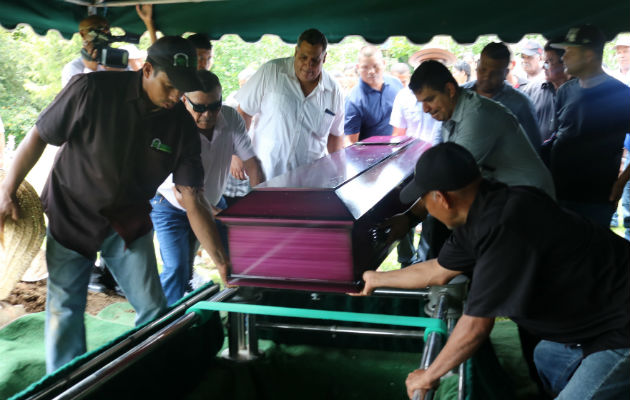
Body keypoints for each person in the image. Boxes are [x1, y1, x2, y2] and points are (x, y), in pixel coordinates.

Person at [0, 36, 230, 373]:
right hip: (72, 213)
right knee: (65, 308)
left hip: (128, 221)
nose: (173, 97)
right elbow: (39, 135)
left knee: (154, 308)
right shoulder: (91, 90)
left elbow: (192, 196)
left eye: (180, 90)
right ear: (146, 69)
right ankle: (66, 386)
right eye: (168, 86)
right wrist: (8, 189)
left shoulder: (180, 124)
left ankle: (145, 378)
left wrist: (221, 262)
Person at [354, 142, 629, 400]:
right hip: (592, 317)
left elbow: (475, 326)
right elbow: (438, 270)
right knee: (547, 358)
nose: (425, 208)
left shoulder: (505, 226)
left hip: (621, 326)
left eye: (424, 201)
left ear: (442, 198)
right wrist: (376, 278)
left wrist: (429, 375)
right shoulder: (483, 209)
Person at [385, 60, 554, 265]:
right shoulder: (450, 114)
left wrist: (410, 218)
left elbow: (448, 180)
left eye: (429, 99)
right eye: (421, 102)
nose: (426, 109)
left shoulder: (477, 116)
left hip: (529, 206)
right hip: (506, 202)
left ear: (449, 89)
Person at [151, 70, 264, 306]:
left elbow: (252, 163)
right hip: (171, 206)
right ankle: (166, 326)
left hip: (213, 200)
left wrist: (261, 206)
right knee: (178, 268)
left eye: (215, 106)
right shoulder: (171, 128)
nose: (208, 114)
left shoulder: (231, 117)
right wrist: (222, 215)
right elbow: (184, 195)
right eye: (200, 108)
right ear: (184, 100)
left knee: (239, 258)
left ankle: (243, 317)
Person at [546, 24, 630, 227]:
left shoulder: (621, 95)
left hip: (594, 198)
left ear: (589, 55)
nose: (563, 57)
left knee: (590, 253)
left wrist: (621, 183)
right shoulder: (565, 91)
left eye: (569, 52)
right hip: (559, 192)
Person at [235, 28, 344, 180]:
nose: (308, 65)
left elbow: (335, 136)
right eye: (303, 57)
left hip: (310, 181)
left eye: (315, 60)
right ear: (295, 52)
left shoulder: (334, 90)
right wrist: (237, 153)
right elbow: (243, 113)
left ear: (324, 58)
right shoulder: (271, 72)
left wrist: (338, 172)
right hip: (265, 176)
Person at [463, 42, 542, 152]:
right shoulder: (461, 94)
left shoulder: (521, 104)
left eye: (494, 73)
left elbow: (534, 149)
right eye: (483, 69)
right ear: (477, 65)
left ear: (506, 73)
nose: (486, 76)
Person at [344, 45, 403, 145]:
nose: (371, 71)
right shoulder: (353, 100)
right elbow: (351, 142)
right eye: (365, 67)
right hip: (369, 155)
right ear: (358, 68)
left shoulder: (396, 84)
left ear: (384, 63)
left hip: (398, 147)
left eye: (375, 66)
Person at [522, 41, 570, 142]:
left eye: (548, 62)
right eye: (544, 62)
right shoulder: (531, 90)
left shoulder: (579, 92)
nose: (544, 67)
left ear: (565, 63)